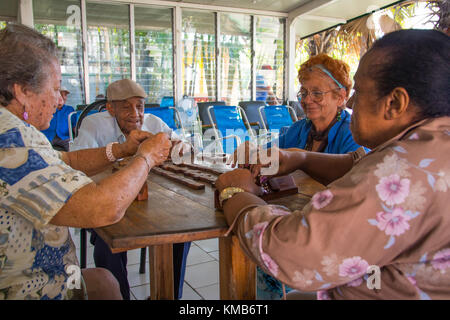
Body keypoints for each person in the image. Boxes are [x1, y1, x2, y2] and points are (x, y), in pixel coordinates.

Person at [217, 29, 450, 300]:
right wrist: (299, 157)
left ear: (394, 103)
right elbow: (358, 166)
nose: (351, 101)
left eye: (359, 91)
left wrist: (235, 194)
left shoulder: (405, 170)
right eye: (305, 92)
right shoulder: (431, 146)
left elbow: (295, 254)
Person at [0, 24, 171, 300]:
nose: (59, 101)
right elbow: (103, 209)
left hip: (49, 274)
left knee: (104, 281)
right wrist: (146, 157)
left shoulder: (15, 130)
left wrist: (123, 149)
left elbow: (66, 159)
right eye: (55, 89)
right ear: (22, 91)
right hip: (30, 289)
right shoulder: (10, 142)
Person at [242, 54, 368, 299]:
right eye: (304, 92)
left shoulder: (353, 133)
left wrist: (297, 158)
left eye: (317, 93)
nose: (307, 100)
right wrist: (254, 152)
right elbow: (274, 155)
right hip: (295, 215)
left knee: (269, 249)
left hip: (332, 229)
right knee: (259, 252)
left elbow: (355, 180)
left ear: (341, 96)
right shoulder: (300, 129)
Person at [70, 79, 191, 300]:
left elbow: (183, 144)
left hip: (147, 201)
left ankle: (170, 296)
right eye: (126, 106)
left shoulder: (153, 123)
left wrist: (181, 146)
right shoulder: (94, 125)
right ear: (110, 108)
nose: (135, 114)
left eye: (140, 106)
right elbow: (77, 166)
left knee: (180, 230)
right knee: (110, 239)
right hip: (106, 199)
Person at [40, 87, 75, 151]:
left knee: (72, 149)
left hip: (64, 137)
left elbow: (74, 126)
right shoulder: (48, 108)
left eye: (65, 95)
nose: (64, 97)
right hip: (47, 135)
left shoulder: (70, 109)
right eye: (61, 95)